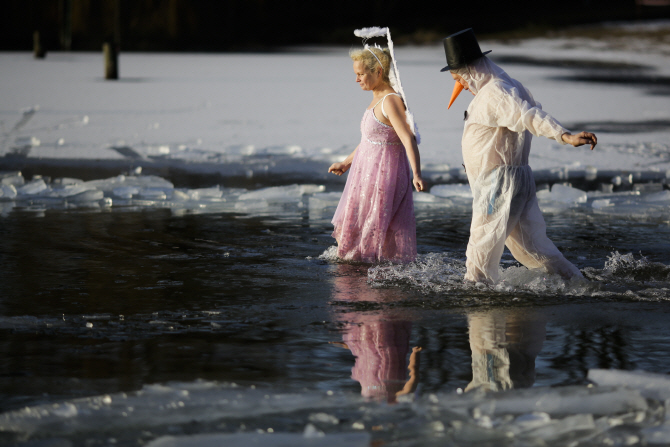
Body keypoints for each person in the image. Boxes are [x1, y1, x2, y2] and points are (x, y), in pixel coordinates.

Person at [440, 28, 597, 284]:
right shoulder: (510, 86)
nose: (460, 85)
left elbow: (528, 117)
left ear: (470, 69)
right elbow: (528, 113)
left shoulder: (495, 93)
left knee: (480, 250)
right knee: (534, 247)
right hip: (517, 179)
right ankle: (578, 283)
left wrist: (564, 136)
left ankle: (476, 306)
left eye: (459, 77)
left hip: (497, 184)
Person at [329, 27, 425, 263]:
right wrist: (347, 162)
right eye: (356, 74)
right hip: (365, 174)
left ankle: (370, 278)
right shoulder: (376, 98)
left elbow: (407, 138)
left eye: (361, 74)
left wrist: (417, 173)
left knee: (375, 230)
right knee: (357, 229)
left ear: (378, 72)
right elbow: (369, 141)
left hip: (384, 177)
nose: (357, 79)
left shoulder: (390, 101)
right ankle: (357, 270)